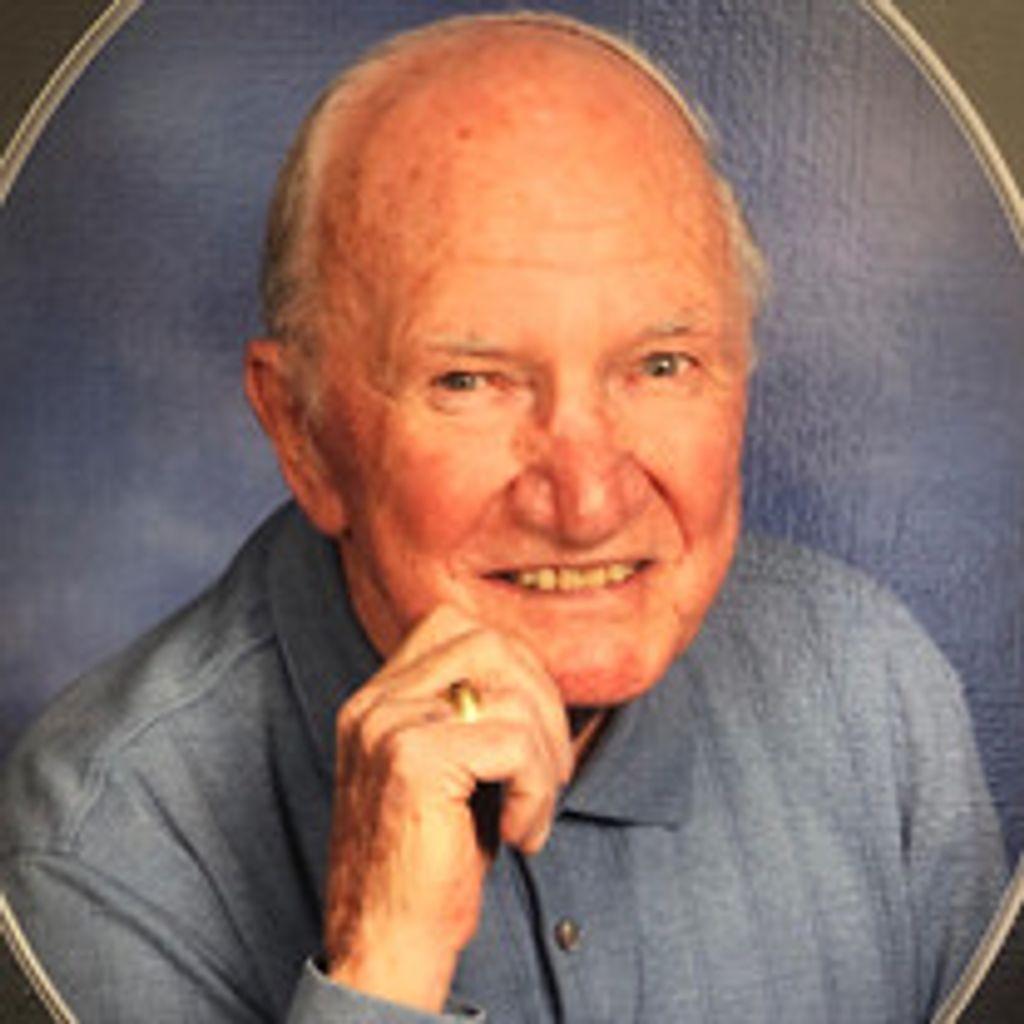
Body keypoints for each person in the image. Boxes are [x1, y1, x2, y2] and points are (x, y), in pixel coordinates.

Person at [0, 11, 1007, 1022]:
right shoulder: (94, 848)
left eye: (661, 365)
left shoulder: (869, 689)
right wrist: (382, 967)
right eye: (469, 380)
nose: (587, 501)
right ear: (301, 430)